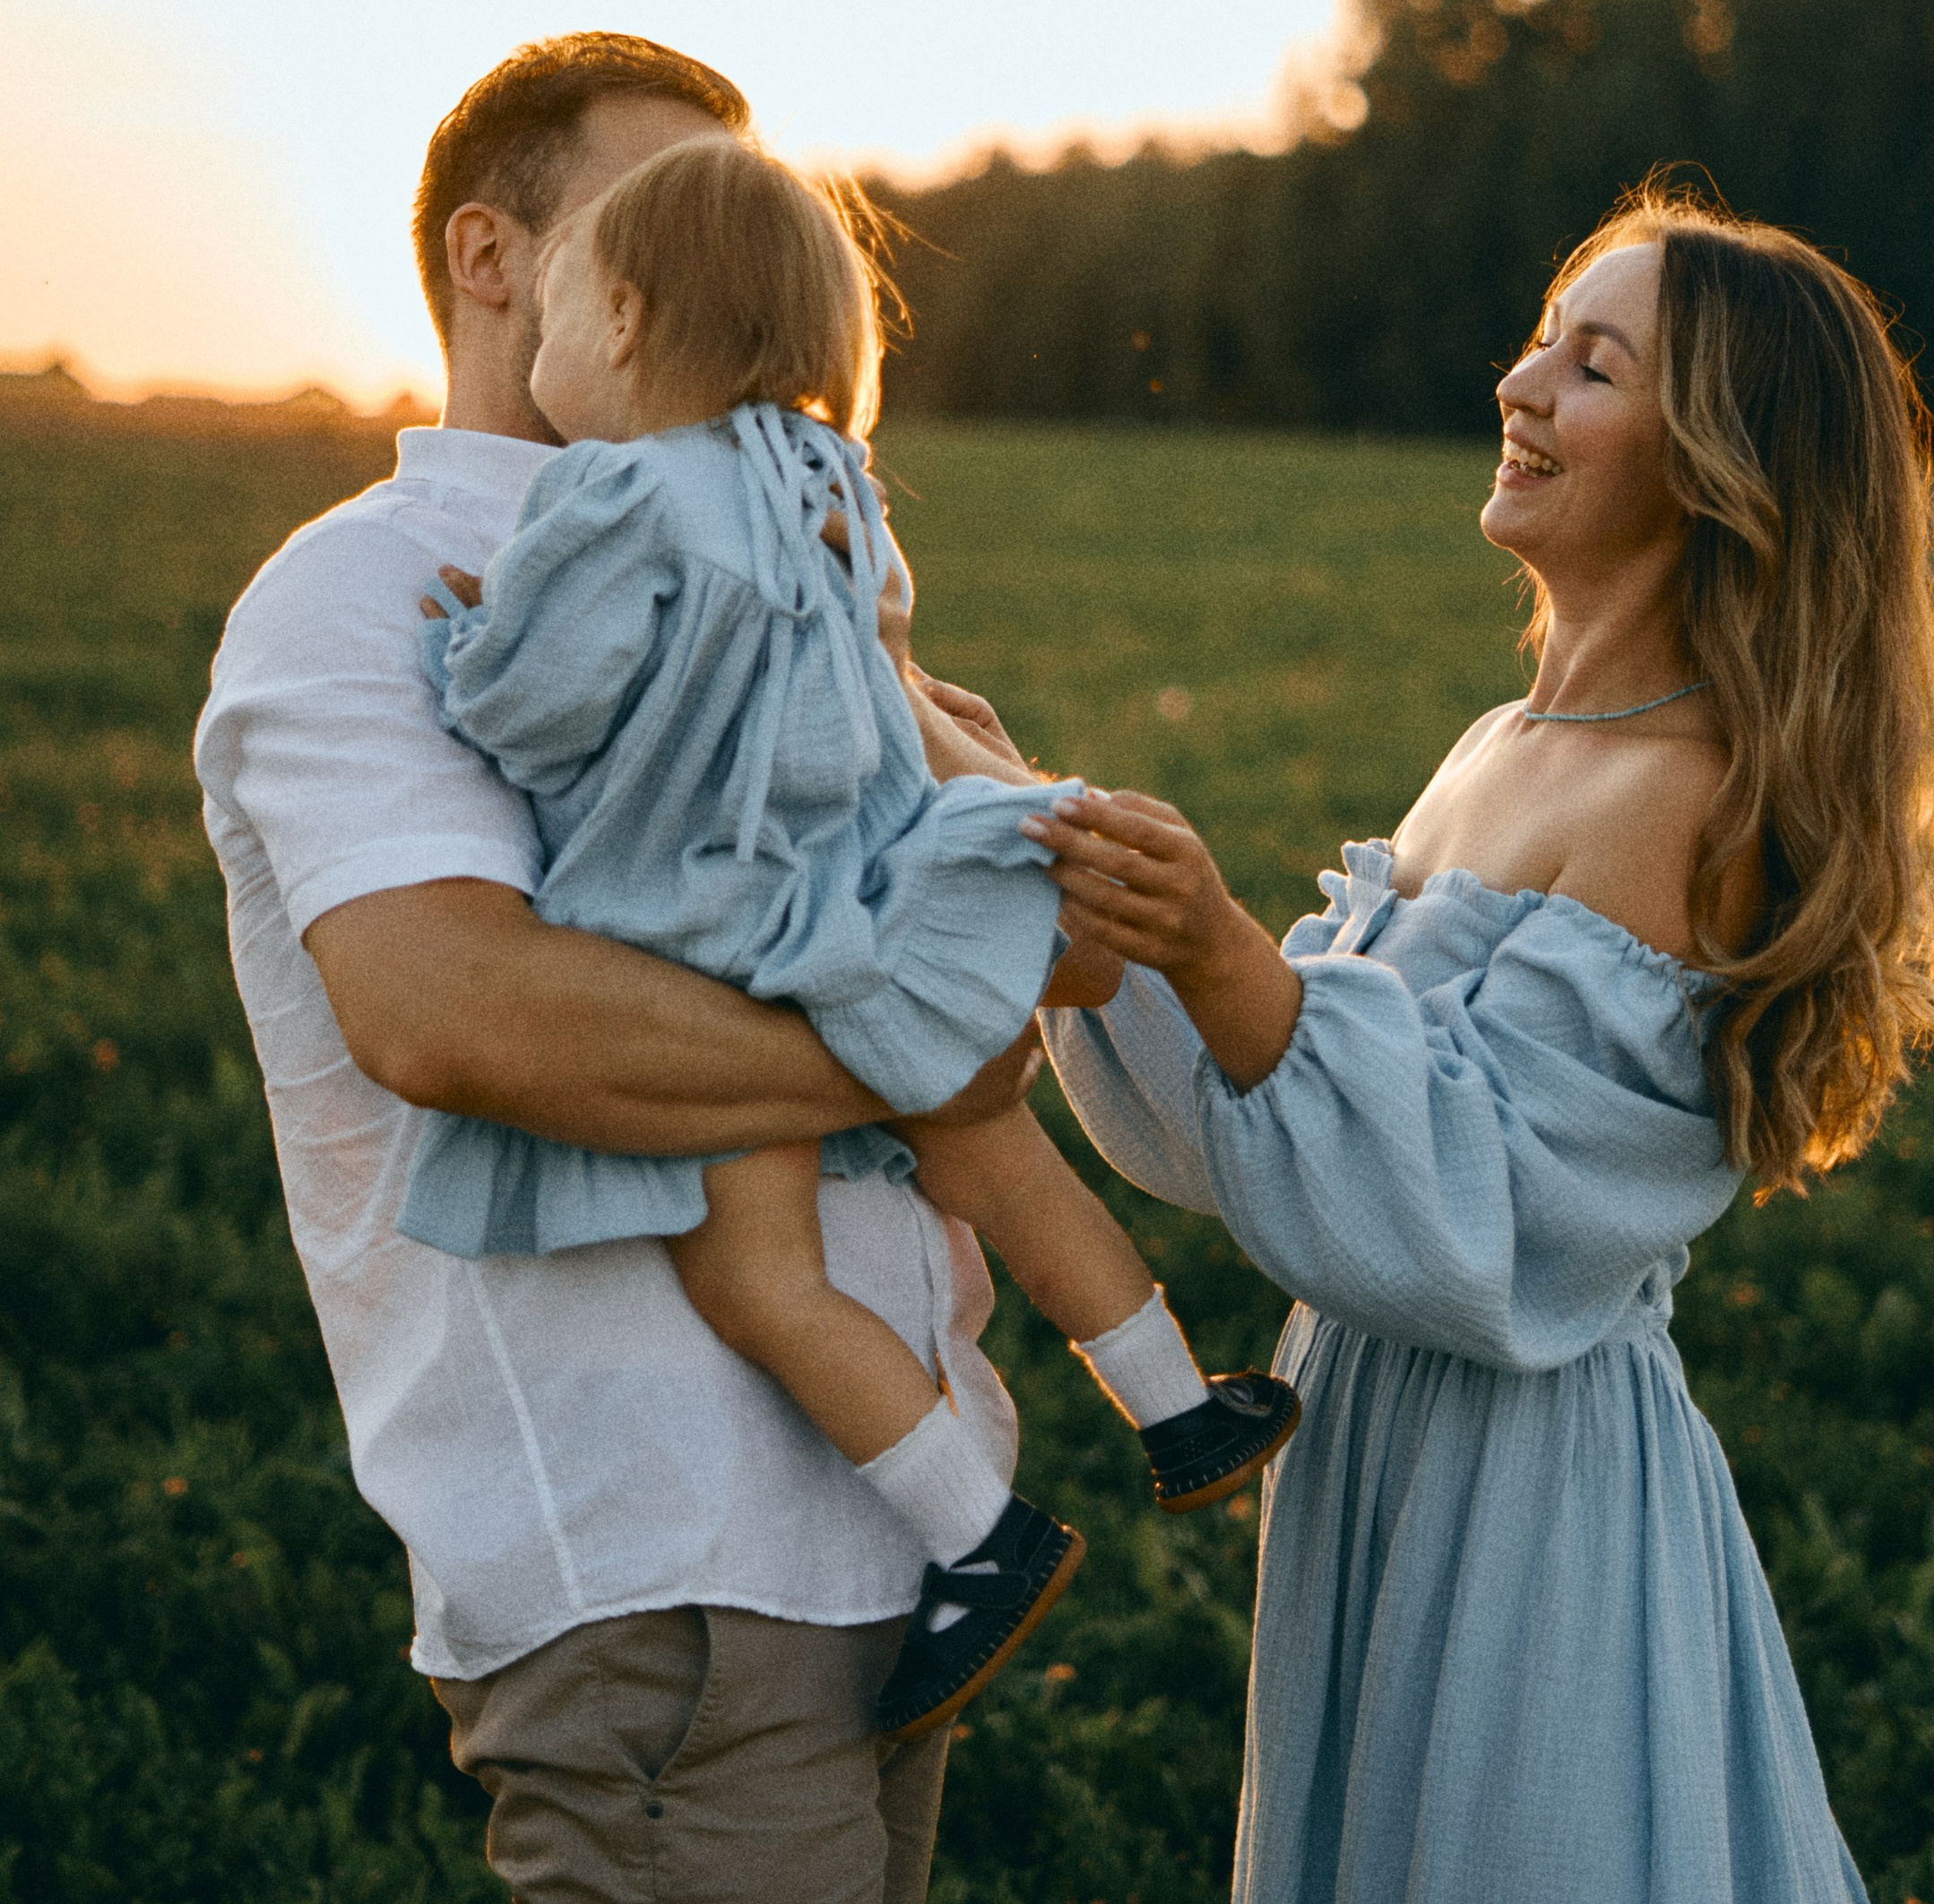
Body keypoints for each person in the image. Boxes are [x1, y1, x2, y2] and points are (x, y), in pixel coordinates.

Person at [1020, 182, 1934, 1904]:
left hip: (1531, 1495)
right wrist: (1104, 933)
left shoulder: (1692, 793)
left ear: (1718, 470)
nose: (1519, 384)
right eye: (1543, 336)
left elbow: (1470, 1217)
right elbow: (1285, 1142)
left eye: (1592, 362)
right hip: (1381, 1445)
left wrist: (1219, 948)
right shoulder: (1503, 749)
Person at [196, 36, 1030, 1904]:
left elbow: (983, 947)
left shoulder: (774, 562)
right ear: (498, 256)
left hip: (872, 1530)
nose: (730, 294)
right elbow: (464, 1010)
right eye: (658, 227)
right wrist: (907, 1029)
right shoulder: (364, 596)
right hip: (649, 1554)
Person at [404, 125, 1296, 1738]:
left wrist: (464, 649)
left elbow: (540, 711)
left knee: (760, 1276)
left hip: (734, 929)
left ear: (620, 325)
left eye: (560, 319)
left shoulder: (613, 495)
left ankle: (977, 1532)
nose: (542, 355)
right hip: (900, 895)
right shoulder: (833, 486)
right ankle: (1182, 1410)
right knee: (1001, 1153)